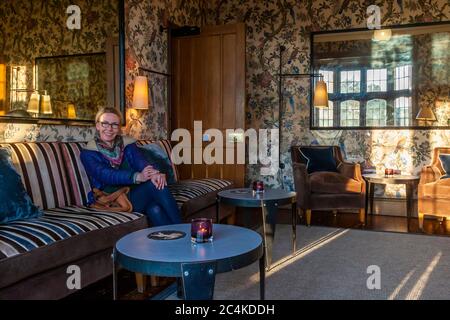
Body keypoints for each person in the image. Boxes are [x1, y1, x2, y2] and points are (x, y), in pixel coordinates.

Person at [80, 107, 181, 226]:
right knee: (154, 188)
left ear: (119, 128)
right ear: (97, 126)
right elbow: (107, 175)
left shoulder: (127, 144)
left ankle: (175, 240)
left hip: (134, 193)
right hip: (112, 199)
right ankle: (186, 231)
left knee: (155, 208)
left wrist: (155, 173)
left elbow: (141, 162)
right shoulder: (88, 153)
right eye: (105, 124)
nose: (109, 128)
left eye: (114, 124)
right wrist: (137, 176)